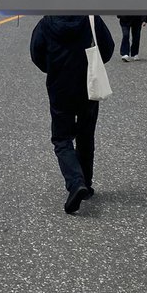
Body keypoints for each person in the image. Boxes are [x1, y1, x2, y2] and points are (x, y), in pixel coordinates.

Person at [30, 15, 114, 213]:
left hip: (59, 86)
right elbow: (108, 48)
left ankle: (76, 182)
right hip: (88, 84)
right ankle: (86, 183)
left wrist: (52, 67)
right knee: (86, 135)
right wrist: (92, 63)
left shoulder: (46, 22)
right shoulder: (91, 18)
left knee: (62, 139)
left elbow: (36, 54)